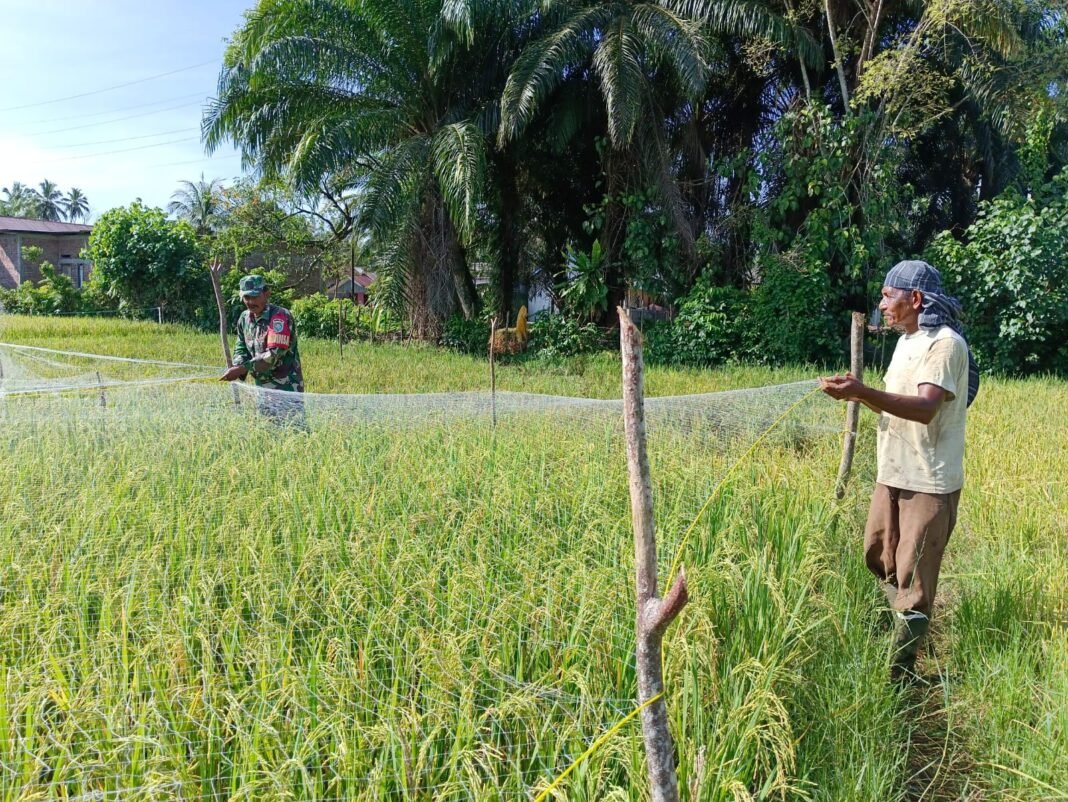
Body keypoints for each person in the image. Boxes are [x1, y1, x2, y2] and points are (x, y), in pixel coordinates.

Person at [821, 260, 978, 682]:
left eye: (888, 296)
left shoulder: (945, 344)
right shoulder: (907, 341)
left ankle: (900, 674)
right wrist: (857, 394)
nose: (881, 304)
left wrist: (862, 391)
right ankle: (902, 626)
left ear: (916, 299)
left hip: (928, 480)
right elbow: (894, 402)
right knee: (879, 555)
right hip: (892, 471)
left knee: (914, 578)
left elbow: (925, 409)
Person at [221, 275, 305, 425]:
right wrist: (238, 363)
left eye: (255, 296)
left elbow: (273, 355)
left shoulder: (279, 317)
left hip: (285, 386)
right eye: (246, 297)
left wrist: (242, 369)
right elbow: (241, 346)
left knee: (292, 427)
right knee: (266, 427)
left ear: (266, 294)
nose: (251, 302)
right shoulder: (245, 318)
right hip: (262, 387)